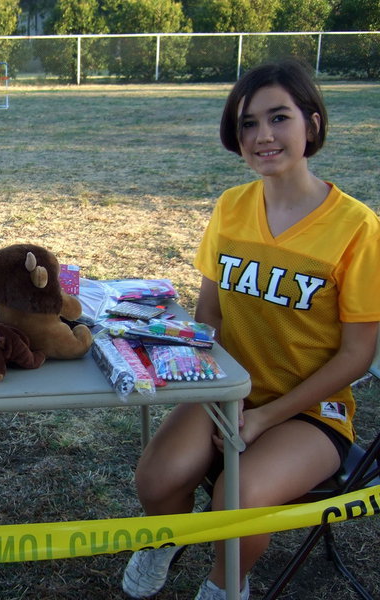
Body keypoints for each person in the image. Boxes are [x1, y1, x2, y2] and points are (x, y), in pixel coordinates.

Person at [121, 59, 380, 600]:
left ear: (311, 123)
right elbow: (208, 315)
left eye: (278, 118)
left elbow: (356, 356)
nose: (262, 135)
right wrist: (222, 391)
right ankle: (166, 541)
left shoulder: (357, 228)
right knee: (156, 477)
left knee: (237, 499)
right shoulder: (231, 207)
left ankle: (226, 585)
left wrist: (265, 416)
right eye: (247, 123)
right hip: (228, 387)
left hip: (310, 411)